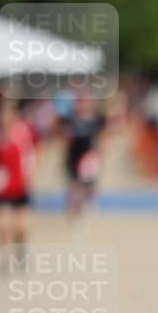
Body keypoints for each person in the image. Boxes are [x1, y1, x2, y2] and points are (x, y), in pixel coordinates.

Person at [0, 100, 37, 270]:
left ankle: (21, 252)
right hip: (1, 188)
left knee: (21, 226)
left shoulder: (23, 131)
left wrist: (31, 175)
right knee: (2, 225)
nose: (4, 118)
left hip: (20, 186)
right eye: (1, 114)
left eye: (7, 114)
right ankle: (5, 258)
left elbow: (33, 152)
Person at [62, 95, 106, 235]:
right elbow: (63, 137)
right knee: (75, 190)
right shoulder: (70, 119)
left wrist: (99, 155)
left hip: (89, 160)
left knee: (89, 188)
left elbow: (100, 138)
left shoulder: (95, 120)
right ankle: (75, 218)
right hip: (74, 159)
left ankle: (85, 208)